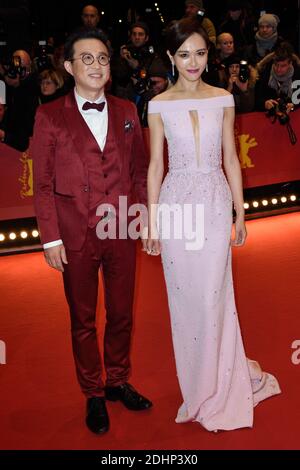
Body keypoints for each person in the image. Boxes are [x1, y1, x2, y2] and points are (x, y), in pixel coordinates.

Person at [147, 18, 280, 432]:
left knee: (213, 297)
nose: (193, 62)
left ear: (208, 55)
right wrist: (152, 222)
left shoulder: (223, 98)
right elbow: (154, 165)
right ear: (171, 57)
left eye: (200, 53)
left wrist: (241, 212)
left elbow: (230, 158)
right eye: (184, 54)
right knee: (186, 302)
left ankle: (221, 386)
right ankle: (198, 389)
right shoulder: (157, 105)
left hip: (215, 201)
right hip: (175, 206)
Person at [32, 28, 152, 436]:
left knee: (121, 313)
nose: (97, 66)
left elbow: (138, 171)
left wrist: (143, 220)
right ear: (68, 67)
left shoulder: (127, 111)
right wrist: (50, 238)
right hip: (74, 233)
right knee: (83, 319)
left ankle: (117, 380)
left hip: (121, 229)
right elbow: (43, 183)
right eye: (87, 59)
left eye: (102, 58)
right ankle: (93, 393)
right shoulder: (49, 115)